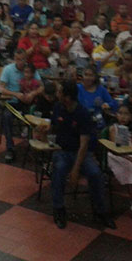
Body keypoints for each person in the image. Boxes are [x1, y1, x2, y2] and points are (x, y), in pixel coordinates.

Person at [47, 80, 115, 229]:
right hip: (62, 151)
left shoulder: (82, 113)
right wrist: (42, 131)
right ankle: (59, 209)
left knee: (95, 174)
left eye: (60, 92)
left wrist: (76, 169)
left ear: (67, 97)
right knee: (58, 171)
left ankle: (100, 211)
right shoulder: (58, 107)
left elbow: (84, 145)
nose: (57, 94)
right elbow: (51, 128)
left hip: (81, 152)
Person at [0, 49, 43, 162]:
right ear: (14, 59)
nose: (20, 62)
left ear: (26, 59)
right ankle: (10, 148)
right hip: (13, 102)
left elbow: (41, 87)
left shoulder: (30, 69)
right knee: (6, 117)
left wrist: (33, 94)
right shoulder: (8, 69)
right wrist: (15, 94)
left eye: (22, 59)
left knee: (39, 116)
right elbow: (1, 88)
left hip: (29, 102)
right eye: (17, 59)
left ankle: (37, 147)